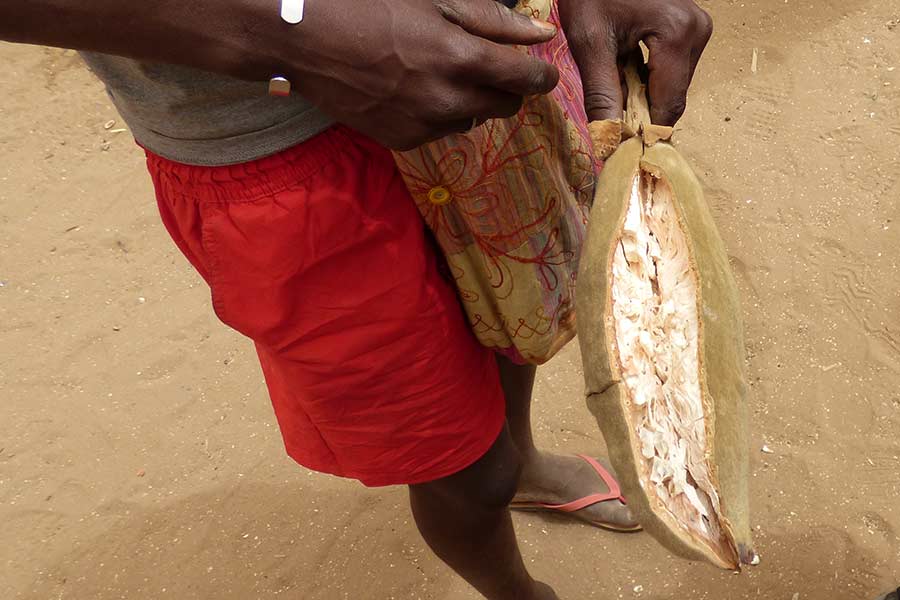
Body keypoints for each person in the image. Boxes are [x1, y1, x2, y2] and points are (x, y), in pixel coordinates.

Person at [1, 1, 715, 598]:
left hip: (473, 79)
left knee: (510, 323)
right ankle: (515, 590)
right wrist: (292, 30)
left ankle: (521, 461)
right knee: (462, 466)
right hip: (284, 156)